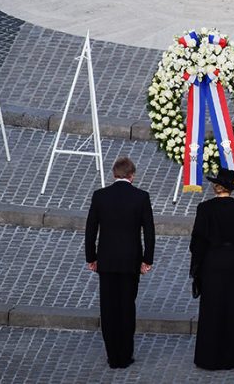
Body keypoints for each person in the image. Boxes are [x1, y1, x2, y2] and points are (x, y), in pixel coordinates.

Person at [84, 156, 156, 369]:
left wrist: (91, 257)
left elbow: (90, 230)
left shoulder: (100, 196)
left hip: (106, 261)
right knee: (126, 307)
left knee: (108, 308)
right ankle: (125, 354)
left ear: (114, 174)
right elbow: (149, 232)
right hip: (130, 262)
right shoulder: (141, 197)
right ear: (131, 176)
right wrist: (147, 260)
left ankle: (112, 354)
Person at [190, 167, 234, 370]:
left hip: (212, 261)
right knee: (233, 306)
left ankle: (211, 356)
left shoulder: (205, 209)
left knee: (212, 308)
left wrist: (196, 268)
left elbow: (197, 241)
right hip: (233, 261)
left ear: (215, 187)